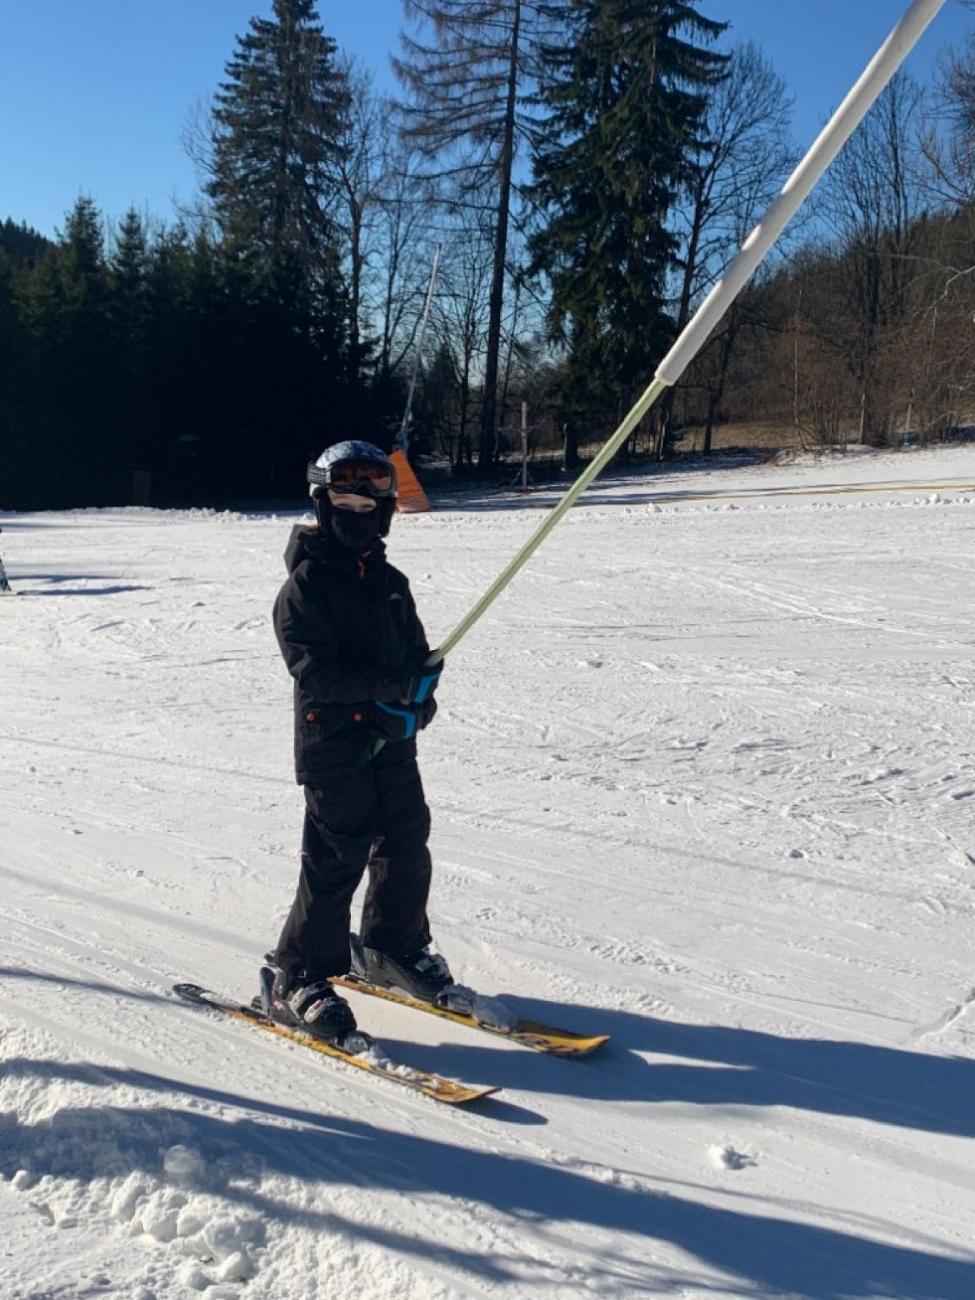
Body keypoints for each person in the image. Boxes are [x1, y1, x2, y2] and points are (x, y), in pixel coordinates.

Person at [265, 440, 453, 1041]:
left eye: (370, 499)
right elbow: (315, 673)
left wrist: (418, 697)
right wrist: (390, 687)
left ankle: (392, 947)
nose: (357, 510)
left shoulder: (392, 583)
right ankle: (297, 974)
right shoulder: (306, 587)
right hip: (333, 744)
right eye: (343, 498)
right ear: (323, 505)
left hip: (388, 741)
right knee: (336, 855)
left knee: (405, 837)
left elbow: (415, 654)